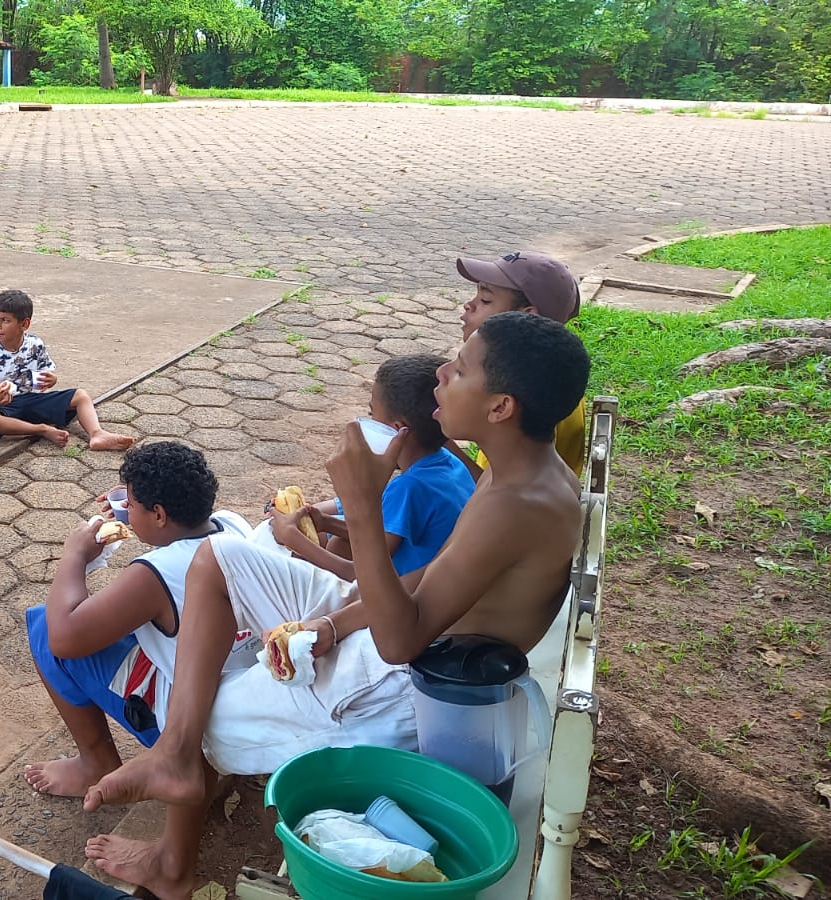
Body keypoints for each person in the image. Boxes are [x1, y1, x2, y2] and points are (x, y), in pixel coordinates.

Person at [79, 313, 591, 899]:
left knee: (200, 712)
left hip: (407, 680)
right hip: (394, 621)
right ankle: (174, 759)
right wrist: (334, 621)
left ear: (500, 407)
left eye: (460, 369)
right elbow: (435, 577)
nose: (441, 375)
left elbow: (401, 641)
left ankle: (176, 816)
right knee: (220, 557)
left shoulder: (517, 504)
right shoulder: (513, 468)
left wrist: (362, 501)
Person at [25, 442, 253, 798]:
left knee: (44, 626)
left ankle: (95, 763)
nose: (126, 511)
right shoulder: (232, 525)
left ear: (159, 514)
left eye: (131, 505)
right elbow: (178, 550)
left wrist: (74, 556)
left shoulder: (151, 576)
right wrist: (134, 510)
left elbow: (64, 636)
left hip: (194, 723)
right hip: (244, 694)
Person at [274, 355, 475, 579]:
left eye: (372, 414)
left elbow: (362, 575)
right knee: (328, 537)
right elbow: (379, 532)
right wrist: (325, 523)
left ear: (397, 430)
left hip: (398, 591)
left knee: (323, 549)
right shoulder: (450, 463)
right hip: (429, 576)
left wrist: (294, 539)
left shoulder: (410, 488)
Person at [448, 252, 587, 475]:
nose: (469, 305)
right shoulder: (551, 375)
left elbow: (497, 489)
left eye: (485, 300)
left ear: (527, 316)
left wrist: (437, 444)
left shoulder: (524, 396)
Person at [0, 290, 135, 451]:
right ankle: (41, 429)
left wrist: (51, 380)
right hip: (3, 408)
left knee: (81, 396)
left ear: (24, 324)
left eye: (5, 320)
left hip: (32, 400)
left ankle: (97, 434)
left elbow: (44, 375)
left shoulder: (35, 344)